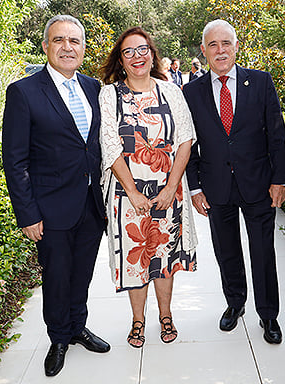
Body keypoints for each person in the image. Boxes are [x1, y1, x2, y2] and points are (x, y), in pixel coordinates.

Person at [2, 15, 110, 377]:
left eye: (74, 41)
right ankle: (59, 338)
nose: (67, 47)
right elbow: (14, 161)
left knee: (82, 273)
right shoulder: (24, 92)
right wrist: (28, 214)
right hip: (50, 208)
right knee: (57, 276)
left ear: (83, 47)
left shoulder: (95, 88)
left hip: (91, 204)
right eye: (59, 40)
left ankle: (78, 326)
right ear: (46, 46)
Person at [183, 19, 285, 344]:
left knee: (262, 251)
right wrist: (195, 187)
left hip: (258, 185)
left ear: (236, 46)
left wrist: (280, 179)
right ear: (203, 51)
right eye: (213, 45)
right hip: (216, 188)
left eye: (225, 43)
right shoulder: (192, 91)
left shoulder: (260, 83)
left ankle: (268, 315)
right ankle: (235, 303)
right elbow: (189, 143)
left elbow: (276, 135)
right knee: (226, 251)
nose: (220, 50)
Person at [98, 27, 197, 349]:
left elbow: (186, 139)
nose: (137, 56)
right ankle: (137, 320)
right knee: (136, 259)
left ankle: (165, 315)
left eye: (143, 50)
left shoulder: (172, 91)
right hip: (127, 194)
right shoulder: (109, 94)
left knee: (164, 256)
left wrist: (170, 188)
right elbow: (110, 146)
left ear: (152, 54)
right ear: (121, 60)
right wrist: (134, 191)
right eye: (129, 52)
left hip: (170, 191)